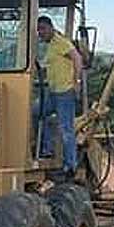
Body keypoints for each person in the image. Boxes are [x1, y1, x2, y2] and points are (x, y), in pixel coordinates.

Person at [34, 16, 83, 178]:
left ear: (50, 27)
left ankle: (70, 165)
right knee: (37, 113)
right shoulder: (49, 47)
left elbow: (77, 58)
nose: (40, 33)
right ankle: (46, 149)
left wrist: (76, 81)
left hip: (65, 92)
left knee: (65, 128)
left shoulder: (61, 42)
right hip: (52, 92)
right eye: (38, 30)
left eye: (42, 29)